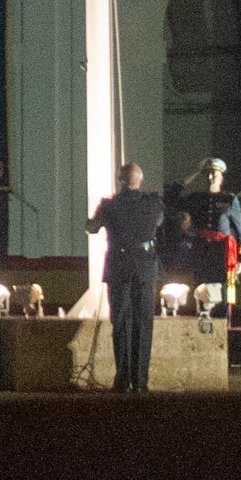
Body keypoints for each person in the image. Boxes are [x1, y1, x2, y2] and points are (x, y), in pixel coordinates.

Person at [86, 161, 165, 392]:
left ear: (120, 180)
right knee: (144, 323)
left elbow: (92, 228)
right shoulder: (153, 203)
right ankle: (140, 381)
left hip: (119, 267)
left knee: (120, 322)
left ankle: (122, 379)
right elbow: (158, 223)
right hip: (144, 267)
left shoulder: (109, 206)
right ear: (140, 180)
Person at [162, 159, 241, 318]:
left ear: (221, 177)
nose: (210, 178)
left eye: (214, 174)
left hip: (221, 250)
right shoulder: (196, 198)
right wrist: (191, 177)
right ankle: (203, 322)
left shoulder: (229, 199)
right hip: (201, 249)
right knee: (201, 287)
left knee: (221, 289)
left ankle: (222, 324)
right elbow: (170, 198)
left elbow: (239, 230)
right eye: (206, 174)